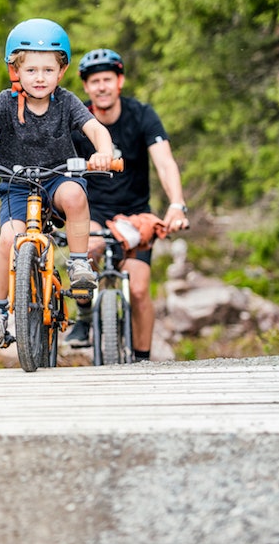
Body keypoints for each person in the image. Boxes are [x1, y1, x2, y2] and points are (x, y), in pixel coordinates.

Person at [0, 19, 115, 349]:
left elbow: (96, 130)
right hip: (16, 185)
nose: (39, 78)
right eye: (31, 70)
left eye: (47, 70)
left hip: (57, 179)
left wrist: (104, 152)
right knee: (8, 239)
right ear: (15, 71)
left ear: (61, 72)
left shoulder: (67, 103)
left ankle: (80, 261)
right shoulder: (5, 103)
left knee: (74, 193)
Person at [67, 47, 190, 360]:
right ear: (86, 86)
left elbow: (164, 162)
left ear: (119, 81)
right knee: (89, 249)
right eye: (95, 81)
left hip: (135, 217)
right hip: (93, 211)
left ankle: (142, 359)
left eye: (108, 79)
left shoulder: (142, 115)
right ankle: (83, 314)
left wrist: (176, 204)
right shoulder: (77, 118)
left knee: (138, 290)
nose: (102, 86)